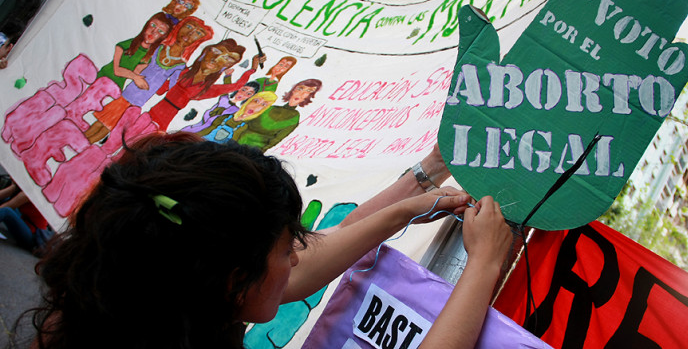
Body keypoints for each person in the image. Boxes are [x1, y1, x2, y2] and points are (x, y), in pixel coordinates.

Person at [27, 132, 511, 349]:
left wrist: (412, 196)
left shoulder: (126, 305)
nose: (299, 254)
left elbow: (310, 261)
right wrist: (484, 264)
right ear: (235, 283)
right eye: (287, 247)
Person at [148, 39, 265, 130]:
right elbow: (160, 89)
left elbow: (236, 86)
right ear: (206, 51)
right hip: (150, 113)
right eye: (217, 51)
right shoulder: (183, 72)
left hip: (163, 121)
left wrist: (253, 68)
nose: (217, 59)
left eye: (228, 59)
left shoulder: (205, 89)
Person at [234, 78, 322, 151]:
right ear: (293, 89)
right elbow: (246, 122)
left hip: (254, 150)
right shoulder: (271, 107)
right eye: (300, 88)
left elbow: (277, 139)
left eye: (309, 91)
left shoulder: (294, 116)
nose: (302, 93)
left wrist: (260, 152)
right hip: (237, 141)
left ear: (310, 96)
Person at [0, 180, 51, 254]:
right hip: (25, 221)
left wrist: (13, 187)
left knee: (7, 211)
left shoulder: (29, 193)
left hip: (34, 237)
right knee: (5, 200)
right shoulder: (23, 188)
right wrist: (13, 187)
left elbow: (8, 207)